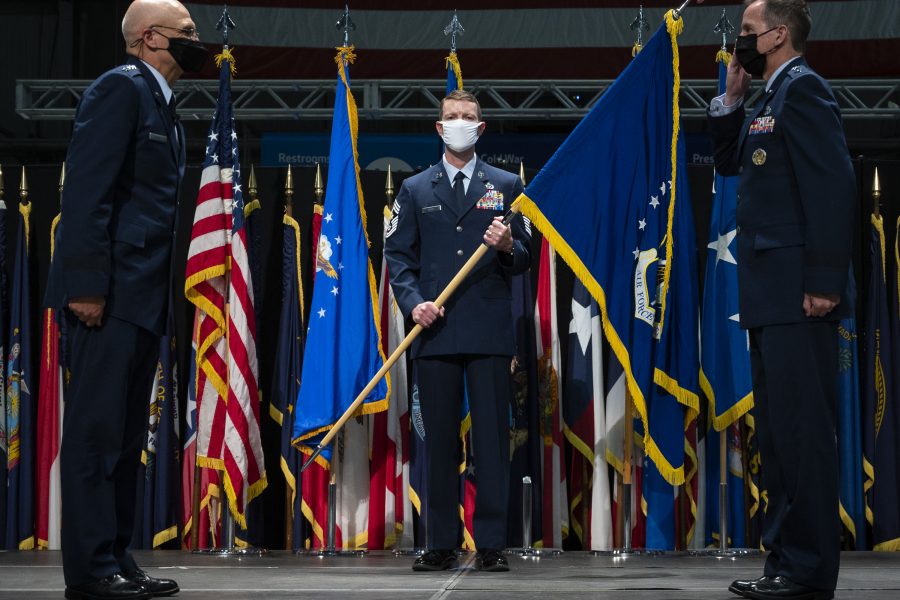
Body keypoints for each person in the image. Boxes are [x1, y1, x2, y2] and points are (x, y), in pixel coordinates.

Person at [44, 1, 208, 598]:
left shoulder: (164, 107)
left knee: (123, 437)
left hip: (142, 300)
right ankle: (90, 573)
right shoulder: (120, 89)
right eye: (188, 34)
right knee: (94, 436)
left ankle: (116, 558)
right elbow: (87, 194)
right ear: (152, 38)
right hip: (106, 298)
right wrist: (87, 286)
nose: (198, 41)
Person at [707, 1, 854, 599]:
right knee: (777, 436)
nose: (738, 42)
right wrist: (732, 101)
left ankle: (809, 571)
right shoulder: (770, 96)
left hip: (801, 293)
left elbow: (833, 185)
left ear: (778, 34)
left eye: (746, 32)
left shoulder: (805, 91)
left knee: (803, 434)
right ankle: (785, 562)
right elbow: (730, 162)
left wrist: (824, 280)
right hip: (769, 295)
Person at [384, 89, 531, 573]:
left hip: (489, 331)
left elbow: (524, 258)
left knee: (491, 443)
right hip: (435, 330)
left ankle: (491, 543)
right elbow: (398, 258)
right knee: (440, 444)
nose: (461, 122)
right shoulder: (415, 189)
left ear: (481, 128)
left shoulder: (508, 185)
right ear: (439, 128)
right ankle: (441, 541)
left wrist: (510, 244)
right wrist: (412, 304)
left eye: (469, 116)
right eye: (453, 117)